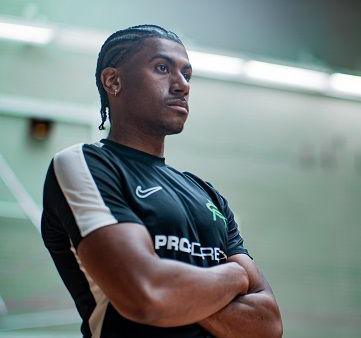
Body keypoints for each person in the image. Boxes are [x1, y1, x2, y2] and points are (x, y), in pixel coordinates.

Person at [41, 24, 283, 338]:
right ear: (113, 81)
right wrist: (235, 276)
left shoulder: (207, 193)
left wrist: (178, 288)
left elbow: (268, 325)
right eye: (162, 68)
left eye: (187, 74)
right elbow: (147, 295)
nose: (182, 85)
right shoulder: (84, 164)